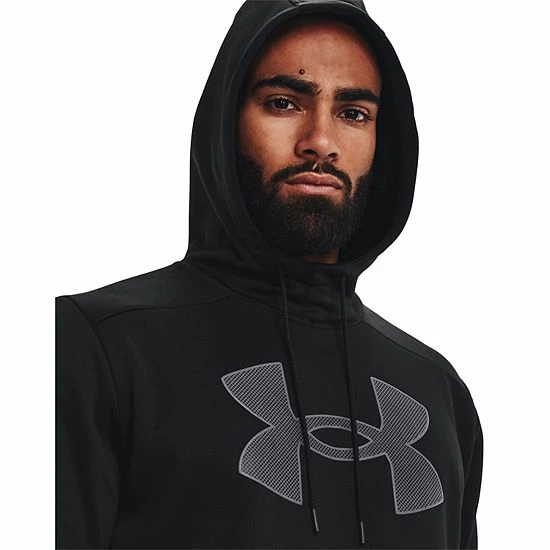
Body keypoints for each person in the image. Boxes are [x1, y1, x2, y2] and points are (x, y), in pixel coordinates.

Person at [55, 0, 483, 548]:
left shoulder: (437, 392)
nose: (320, 141)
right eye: (283, 103)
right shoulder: (99, 347)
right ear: (226, 124)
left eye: (354, 112)